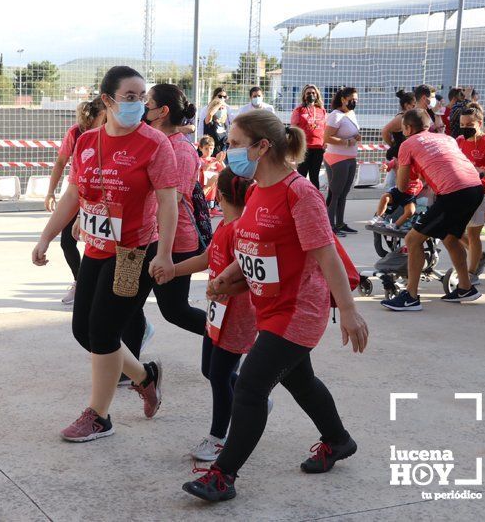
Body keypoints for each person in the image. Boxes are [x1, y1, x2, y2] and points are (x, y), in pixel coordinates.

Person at [181, 109, 368, 503]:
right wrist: (226, 278)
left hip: (299, 309)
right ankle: (338, 440)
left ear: (262, 146)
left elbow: (327, 256)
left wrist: (349, 311)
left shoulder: (300, 193)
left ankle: (222, 475)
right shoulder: (255, 190)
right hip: (268, 306)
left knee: (250, 385)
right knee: (299, 381)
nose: (226, 153)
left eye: (233, 145)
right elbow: (252, 245)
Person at [32, 66, 178, 442]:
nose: (139, 104)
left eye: (142, 97)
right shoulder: (87, 141)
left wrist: (163, 254)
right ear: (108, 100)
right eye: (130, 97)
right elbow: (73, 196)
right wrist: (46, 237)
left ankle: (99, 416)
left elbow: (167, 203)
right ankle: (145, 376)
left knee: (103, 331)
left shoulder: (154, 144)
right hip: (96, 248)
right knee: (85, 332)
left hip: (133, 253)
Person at [160, 168, 257, 462]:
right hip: (217, 315)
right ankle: (254, 400)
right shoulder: (225, 226)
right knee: (210, 369)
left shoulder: (242, 230)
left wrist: (224, 286)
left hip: (237, 316)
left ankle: (218, 437)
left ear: (222, 193)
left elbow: (247, 273)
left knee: (219, 374)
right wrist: (173, 270)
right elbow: (206, 258)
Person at [116, 84, 208, 366]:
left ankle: (228, 336)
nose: (143, 107)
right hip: (138, 238)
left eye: (148, 102)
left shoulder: (180, 150)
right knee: (126, 305)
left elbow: (172, 200)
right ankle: (128, 368)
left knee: (175, 310)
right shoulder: (149, 141)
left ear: (162, 112)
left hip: (173, 242)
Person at [381, 109, 484, 311]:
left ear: (408, 128)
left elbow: (402, 187)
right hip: (475, 188)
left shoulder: (407, 144)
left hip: (454, 192)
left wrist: (406, 169)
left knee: (412, 239)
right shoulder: (446, 138)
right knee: (450, 238)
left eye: (401, 128)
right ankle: (465, 287)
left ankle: (410, 296)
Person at [45, 99, 106, 304]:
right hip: (78, 195)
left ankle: (97, 287)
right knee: (67, 242)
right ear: (100, 114)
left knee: (99, 246)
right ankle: (80, 282)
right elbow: (61, 162)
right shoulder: (77, 133)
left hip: (104, 201)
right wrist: (50, 192)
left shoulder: (116, 135)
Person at [456, 104, 485, 284]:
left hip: (483, 191)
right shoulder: (458, 140)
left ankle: (471, 273)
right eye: (462, 125)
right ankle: (480, 256)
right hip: (461, 191)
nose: (465, 129)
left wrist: (484, 174)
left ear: (480, 123)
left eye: (469, 125)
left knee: (473, 234)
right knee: (451, 230)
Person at [322, 87, 360, 237]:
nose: (354, 102)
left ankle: (340, 223)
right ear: (343, 99)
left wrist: (356, 136)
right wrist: (346, 141)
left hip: (350, 158)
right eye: (352, 99)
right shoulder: (335, 116)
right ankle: (329, 226)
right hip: (337, 158)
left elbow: (350, 133)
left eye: (356, 100)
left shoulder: (351, 113)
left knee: (344, 193)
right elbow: (326, 138)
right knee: (335, 193)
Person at [367, 158, 422, 231]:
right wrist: (385, 166)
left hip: (410, 196)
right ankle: (378, 216)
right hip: (398, 190)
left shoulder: (417, 164)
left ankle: (396, 225)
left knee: (410, 211)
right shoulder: (397, 160)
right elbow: (388, 165)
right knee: (385, 197)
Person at [290, 84, 327, 189]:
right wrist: (294, 146)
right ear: (304, 96)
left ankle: (315, 201)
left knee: (314, 177)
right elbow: (293, 129)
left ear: (317, 95)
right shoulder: (299, 110)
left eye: (313, 93)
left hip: (318, 148)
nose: (311, 95)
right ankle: (300, 199)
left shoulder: (321, 110)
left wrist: (325, 142)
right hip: (304, 148)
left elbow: (325, 128)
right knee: (301, 176)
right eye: (308, 93)